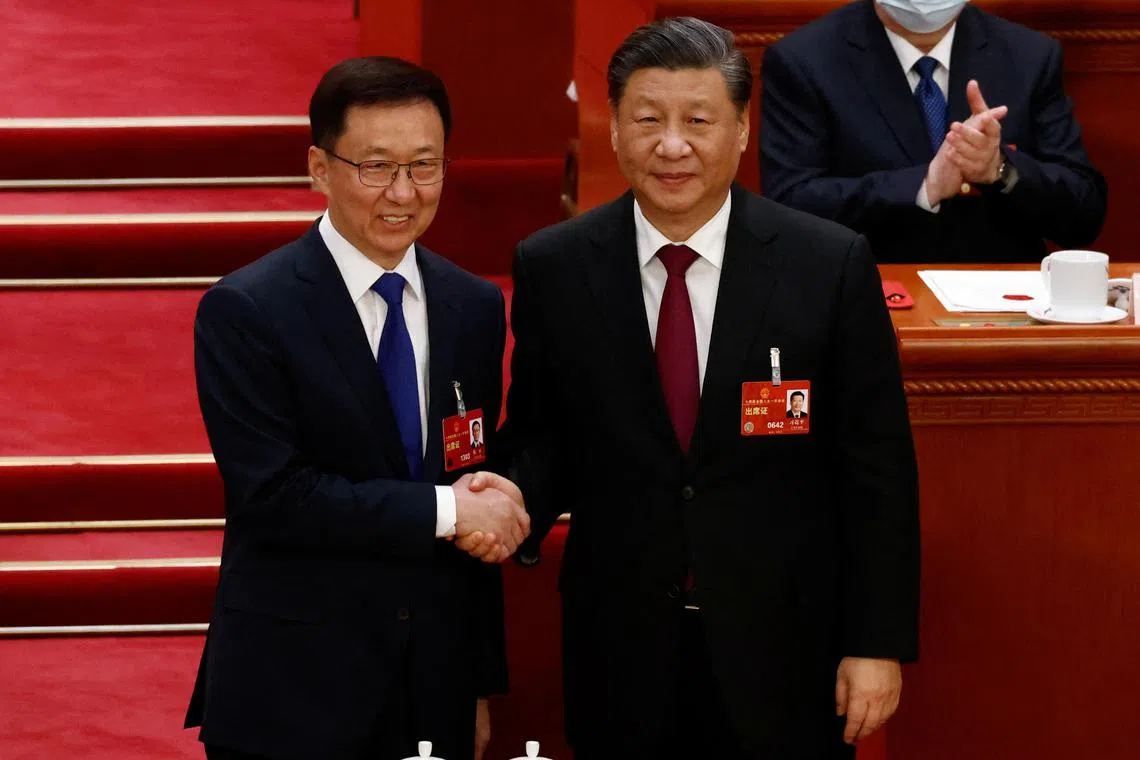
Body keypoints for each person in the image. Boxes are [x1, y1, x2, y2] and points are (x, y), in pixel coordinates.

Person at [492, 16, 920, 760]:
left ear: (743, 129)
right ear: (616, 131)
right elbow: (543, 436)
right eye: (648, 120)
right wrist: (507, 495)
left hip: (787, 651)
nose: (672, 145)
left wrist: (875, 643)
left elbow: (877, 473)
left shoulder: (829, 264)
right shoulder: (556, 266)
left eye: (698, 120)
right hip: (621, 648)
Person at [184, 57, 529, 760]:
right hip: (294, 690)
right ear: (320, 168)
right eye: (376, 166)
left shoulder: (474, 306)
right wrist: (448, 512)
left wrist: (476, 685)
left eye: (425, 165)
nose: (403, 192)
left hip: (432, 689)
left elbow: (472, 471)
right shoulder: (249, 309)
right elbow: (274, 495)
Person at [760, 0, 1107, 264]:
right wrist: (924, 185)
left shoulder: (1030, 56)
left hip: (1003, 313)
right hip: (866, 303)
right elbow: (790, 205)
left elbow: (1083, 215)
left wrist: (1000, 169)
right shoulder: (804, 61)